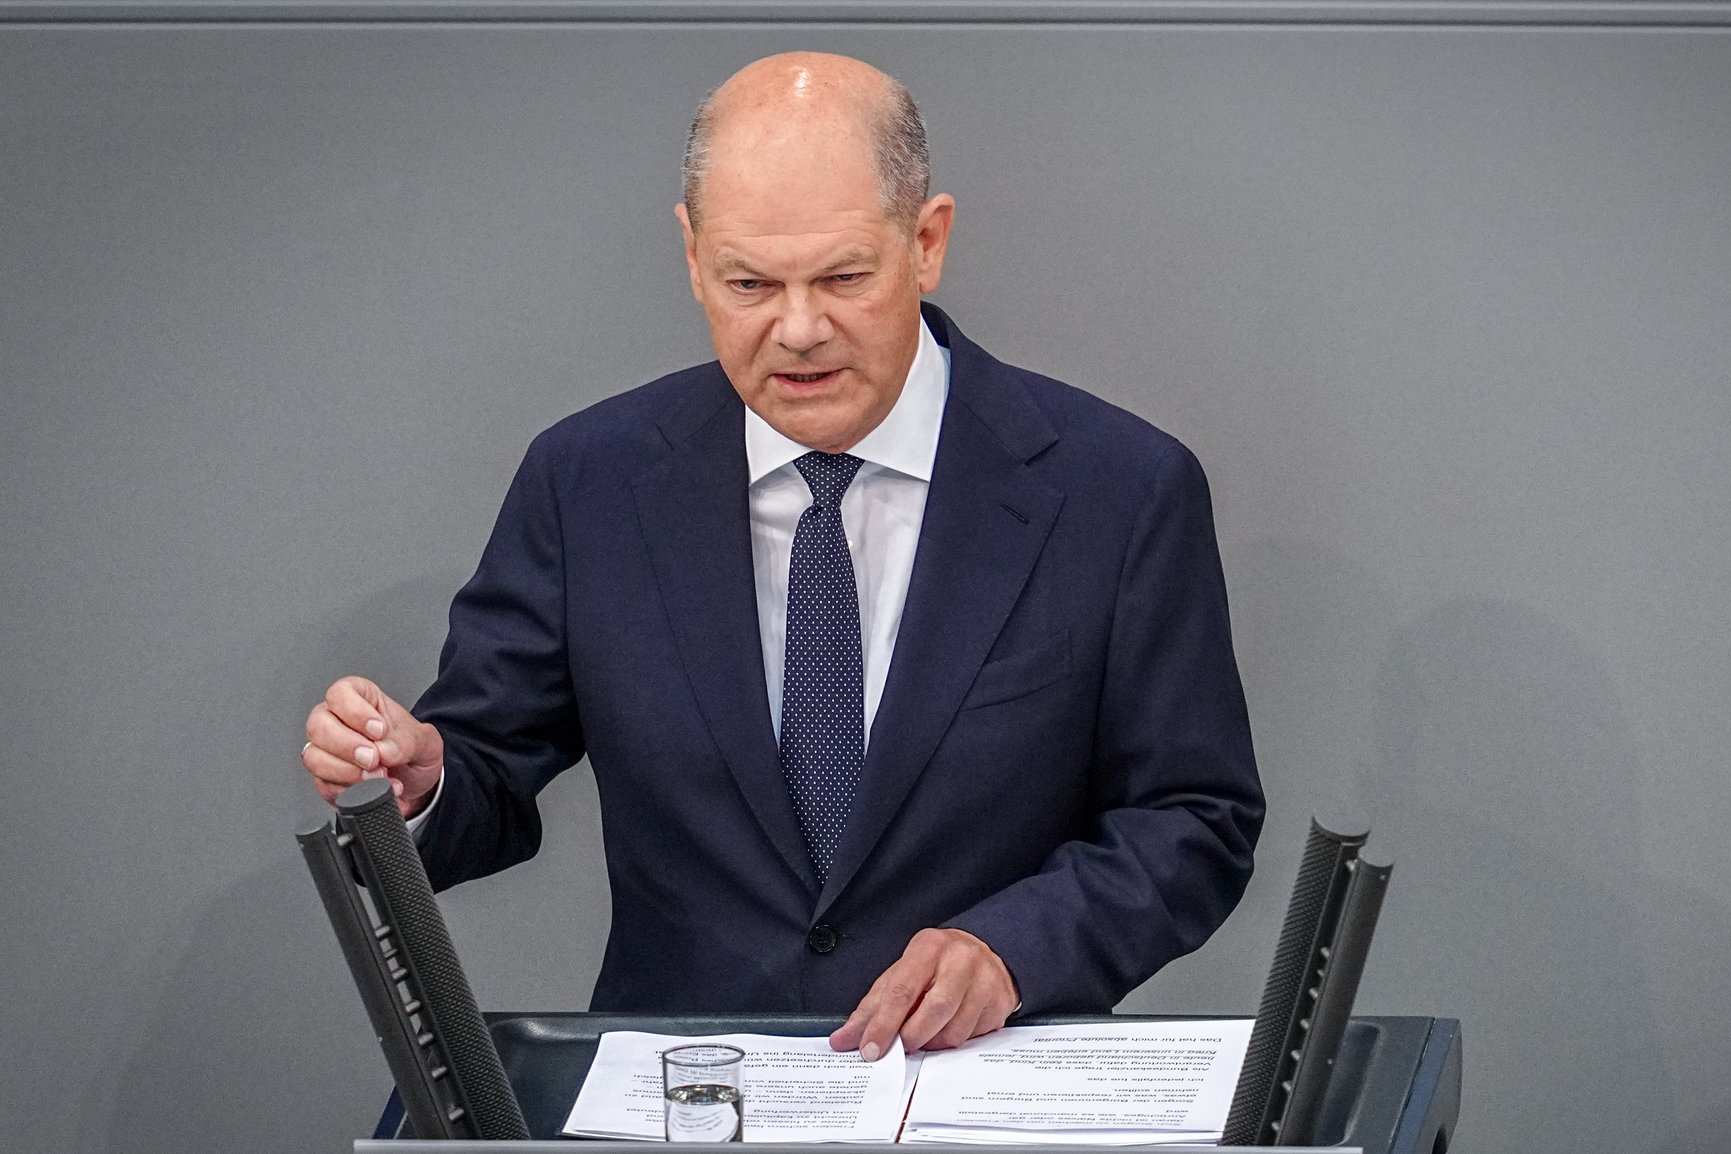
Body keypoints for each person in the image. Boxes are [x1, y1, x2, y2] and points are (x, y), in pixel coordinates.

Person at [300, 52, 1262, 1060]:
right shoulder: (589, 481)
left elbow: (1192, 817)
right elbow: (484, 772)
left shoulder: (1118, 490)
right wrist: (421, 782)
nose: (798, 330)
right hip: (687, 1095)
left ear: (925, 242)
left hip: (978, 1090)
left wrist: (1012, 949)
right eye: (749, 282)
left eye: (843, 277)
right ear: (690, 257)